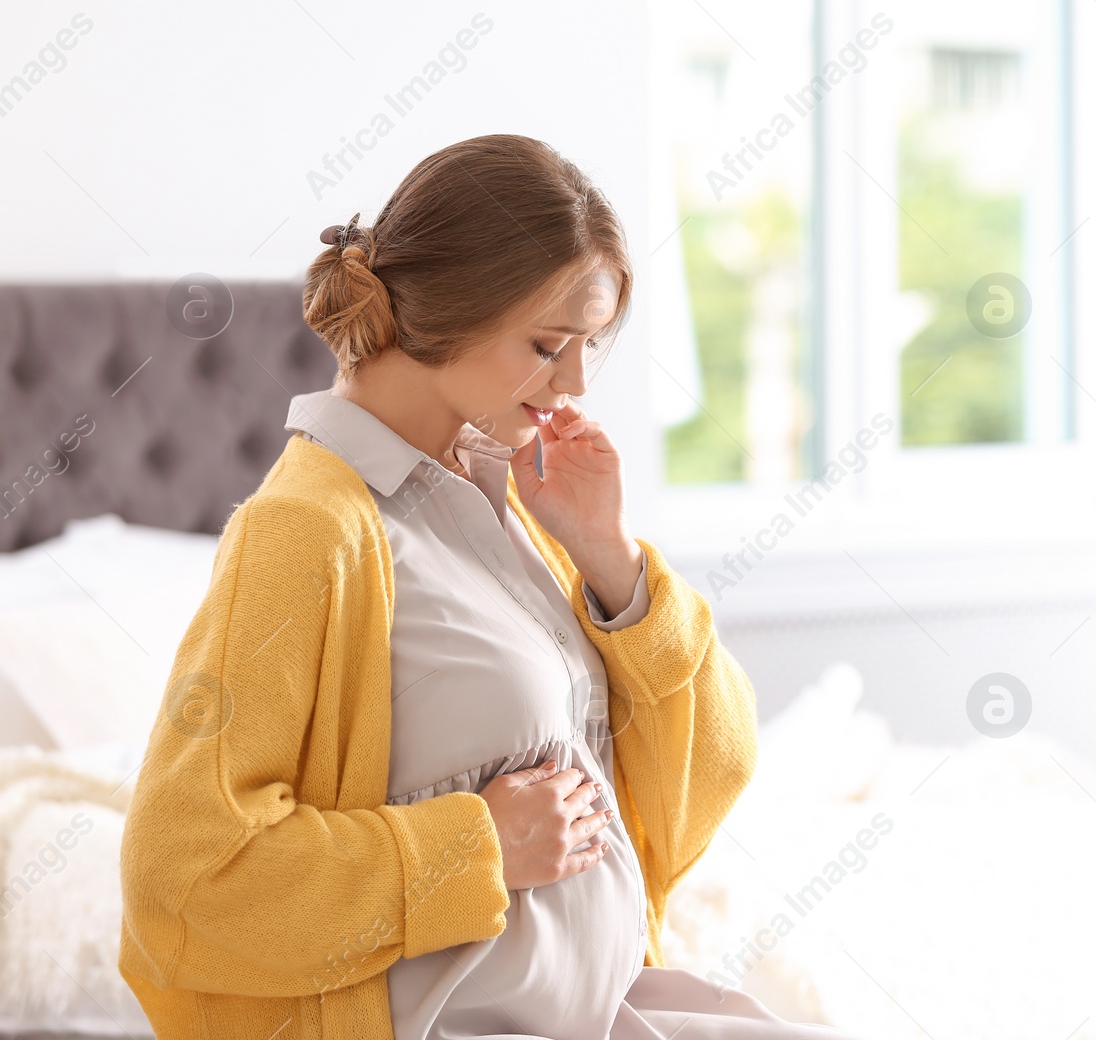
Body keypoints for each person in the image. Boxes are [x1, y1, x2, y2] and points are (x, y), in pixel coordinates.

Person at [118, 134, 865, 1040]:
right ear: (447, 311)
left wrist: (610, 560)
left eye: (590, 344)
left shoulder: (504, 498)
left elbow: (721, 763)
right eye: (550, 343)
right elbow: (184, 879)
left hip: (610, 1005)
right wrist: (473, 848)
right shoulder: (307, 530)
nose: (578, 381)